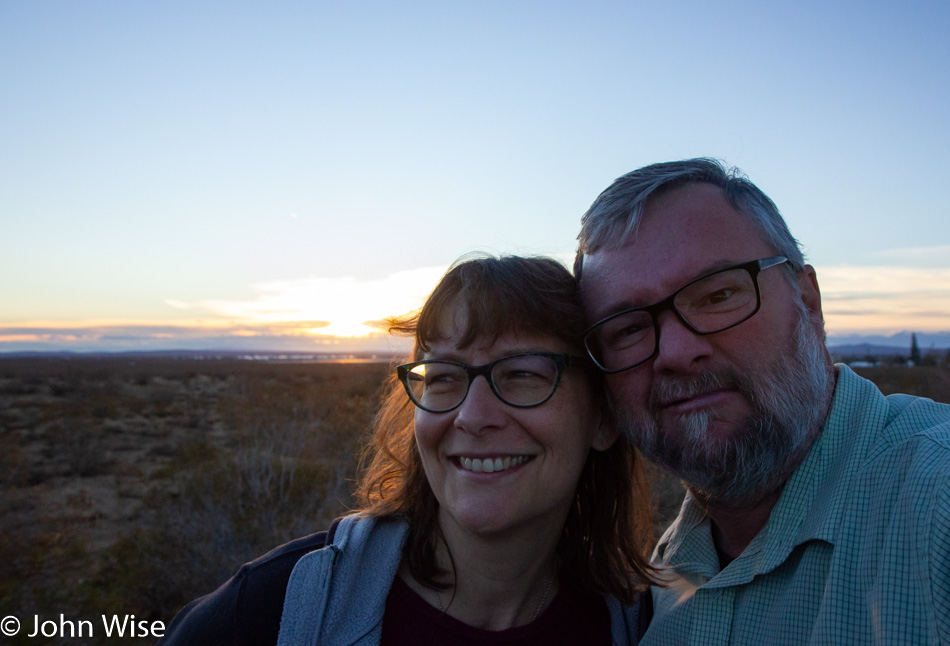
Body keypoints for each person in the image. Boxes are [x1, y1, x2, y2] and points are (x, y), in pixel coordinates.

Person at [159, 255, 659, 646]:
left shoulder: (639, 627)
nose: (472, 415)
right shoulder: (275, 614)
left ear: (603, 418)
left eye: (523, 374)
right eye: (443, 377)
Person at [574, 158, 950, 645]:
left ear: (807, 301)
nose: (676, 352)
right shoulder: (657, 588)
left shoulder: (934, 506)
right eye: (627, 329)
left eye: (717, 295)